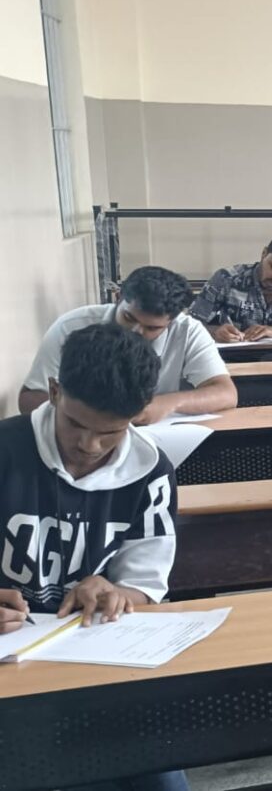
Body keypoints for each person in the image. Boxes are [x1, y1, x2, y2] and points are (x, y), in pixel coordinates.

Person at [0, 323, 186, 791]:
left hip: (94, 659)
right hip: (10, 664)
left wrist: (116, 592)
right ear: (54, 392)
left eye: (110, 433)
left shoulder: (150, 470)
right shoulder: (6, 450)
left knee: (161, 776)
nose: (89, 446)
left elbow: (144, 583)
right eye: (76, 425)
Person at [20, 265, 236, 424]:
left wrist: (166, 404)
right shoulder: (71, 326)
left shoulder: (187, 331)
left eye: (151, 328)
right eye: (128, 318)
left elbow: (226, 394)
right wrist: (92, 416)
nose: (136, 332)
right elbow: (30, 398)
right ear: (119, 297)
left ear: (171, 322)